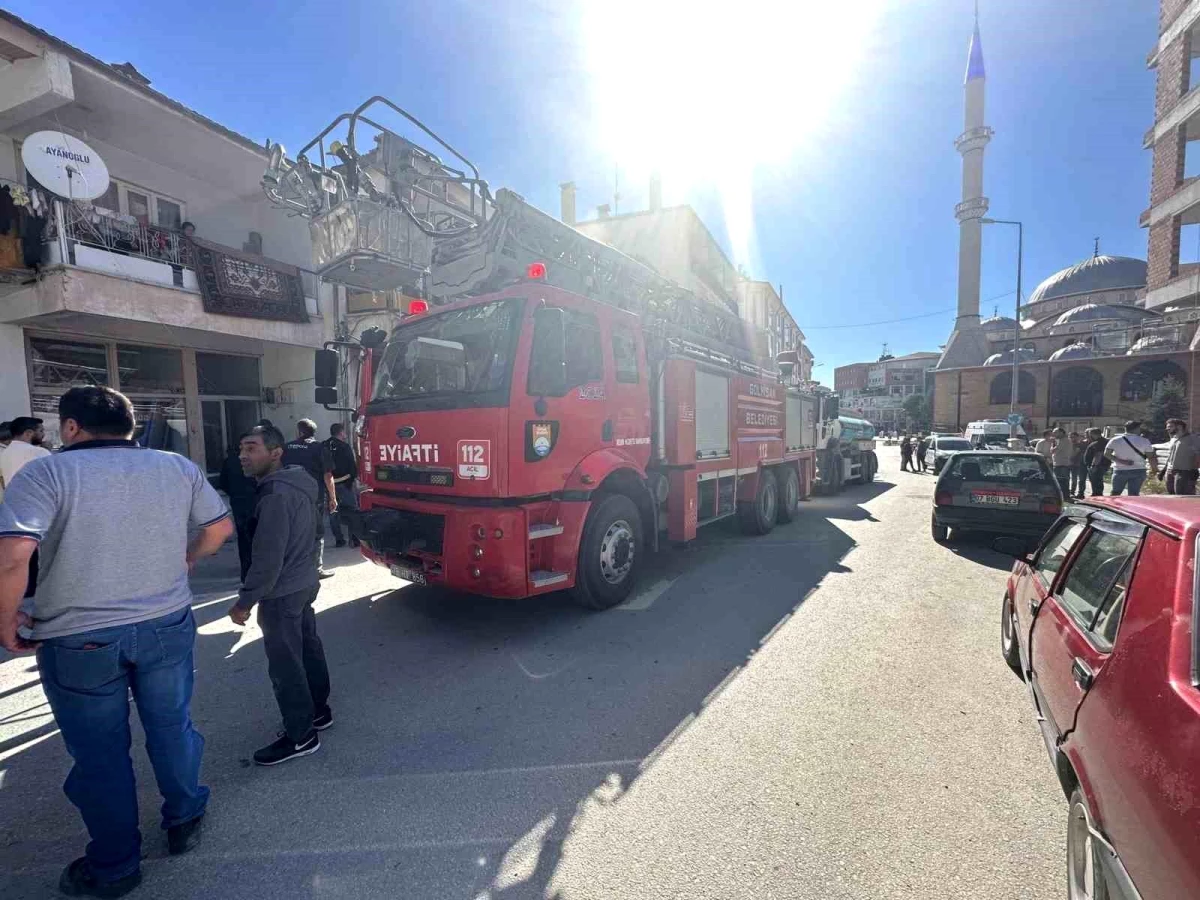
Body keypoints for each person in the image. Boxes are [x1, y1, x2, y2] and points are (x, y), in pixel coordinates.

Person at [0, 386, 232, 898]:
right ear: (130, 427)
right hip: (166, 622)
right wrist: (186, 561)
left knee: (101, 754)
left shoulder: (46, 473)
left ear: (70, 427)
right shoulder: (176, 467)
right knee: (172, 726)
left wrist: (6, 618)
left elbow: (15, 553)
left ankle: (116, 866)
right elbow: (219, 529)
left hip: (77, 636)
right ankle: (185, 816)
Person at [229, 425, 332, 766]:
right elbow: (315, 531)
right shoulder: (301, 482)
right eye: (242, 448)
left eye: (252, 447)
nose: (244, 455)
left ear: (276, 453)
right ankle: (319, 712)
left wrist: (245, 601)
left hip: (282, 590)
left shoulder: (274, 496)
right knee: (308, 649)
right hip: (304, 581)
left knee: (286, 665)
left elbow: (267, 559)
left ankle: (301, 736)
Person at [282, 419, 337, 578]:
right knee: (315, 532)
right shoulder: (319, 448)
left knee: (292, 531)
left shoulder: (287, 447)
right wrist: (333, 498)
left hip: (288, 496)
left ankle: (292, 568)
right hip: (313, 497)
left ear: (299, 432)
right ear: (314, 432)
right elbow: (328, 475)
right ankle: (315, 569)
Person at [218, 440, 259, 580]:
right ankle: (258, 571)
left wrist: (234, 493)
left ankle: (246, 573)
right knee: (259, 537)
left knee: (243, 538)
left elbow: (222, 482)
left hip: (238, 503)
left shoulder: (229, 461)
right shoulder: (256, 460)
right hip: (255, 502)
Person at [323, 423, 360, 548]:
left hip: (329, 484)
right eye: (344, 432)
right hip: (345, 484)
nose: (345, 434)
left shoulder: (323, 445)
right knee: (352, 511)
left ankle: (339, 539)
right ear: (340, 432)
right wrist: (354, 478)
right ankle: (353, 540)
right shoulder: (344, 447)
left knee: (333, 511)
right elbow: (352, 465)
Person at [1104, 420, 1157, 497]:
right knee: (1134, 495)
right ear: (1136, 429)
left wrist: (1121, 461)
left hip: (1120, 470)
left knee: (1115, 493)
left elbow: (1106, 454)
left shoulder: (1115, 440)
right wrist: (1154, 469)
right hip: (1138, 470)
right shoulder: (1144, 441)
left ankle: (1112, 508)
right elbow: (1151, 457)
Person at [0, 415, 50, 488]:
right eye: (41, 431)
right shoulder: (39, 452)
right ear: (28, 433)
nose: (43, 434)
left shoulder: (4, 453)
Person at [1159, 418, 1200, 496]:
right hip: (1170, 471)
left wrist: (1195, 469)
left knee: (1183, 495)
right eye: (1167, 427)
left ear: (1180, 427)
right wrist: (1164, 470)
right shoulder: (1173, 439)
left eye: (1170, 426)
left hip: (1185, 471)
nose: (1167, 429)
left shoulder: (1193, 439)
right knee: (1171, 494)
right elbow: (1170, 455)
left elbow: (1198, 454)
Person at [1083, 428, 1108, 498]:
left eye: (1090, 434)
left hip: (1097, 466)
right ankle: (1096, 494)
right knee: (1096, 481)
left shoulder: (1100, 442)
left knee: (1096, 481)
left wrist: (1094, 466)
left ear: (1094, 434)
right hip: (1100, 465)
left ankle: (1097, 495)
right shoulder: (1101, 441)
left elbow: (1098, 455)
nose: (1089, 436)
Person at [1049, 427, 1073, 496]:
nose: (1053, 434)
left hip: (1062, 464)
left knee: (1062, 481)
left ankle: (1064, 496)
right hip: (1059, 463)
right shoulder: (1061, 441)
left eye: (1055, 432)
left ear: (1061, 432)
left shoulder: (1064, 440)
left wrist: (1052, 443)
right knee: (1062, 481)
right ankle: (1064, 495)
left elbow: (1053, 451)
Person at [1068, 432, 1087, 500]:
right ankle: (1070, 491)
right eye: (1070, 437)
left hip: (1076, 464)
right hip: (1069, 463)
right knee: (1069, 478)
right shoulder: (1069, 444)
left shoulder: (1079, 444)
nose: (1072, 438)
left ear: (1077, 437)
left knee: (1075, 478)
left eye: (1073, 437)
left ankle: (1073, 491)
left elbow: (1075, 454)